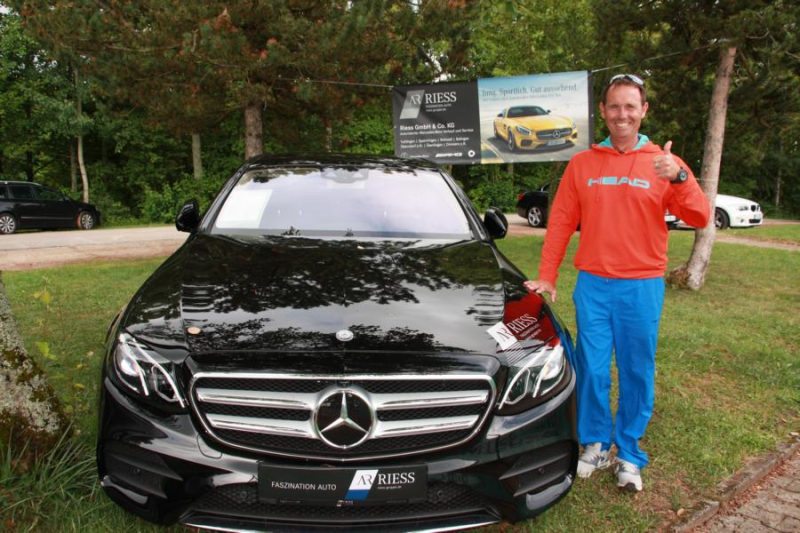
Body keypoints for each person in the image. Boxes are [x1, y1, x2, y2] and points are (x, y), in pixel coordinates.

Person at [524, 73, 710, 492]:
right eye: (614, 106)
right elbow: (561, 222)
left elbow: (700, 216)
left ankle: (628, 451)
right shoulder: (583, 164)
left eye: (630, 106)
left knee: (636, 369)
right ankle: (595, 442)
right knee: (590, 367)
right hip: (593, 284)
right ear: (603, 111)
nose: (621, 114)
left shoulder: (664, 162)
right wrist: (548, 275)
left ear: (643, 110)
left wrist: (679, 178)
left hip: (641, 286)